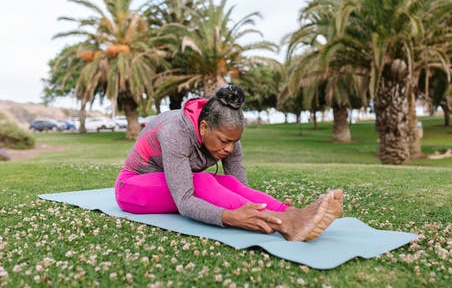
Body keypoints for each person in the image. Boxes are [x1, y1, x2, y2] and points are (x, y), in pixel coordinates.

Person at [115, 85, 343, 241]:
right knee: (203, 181)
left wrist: (269, 205)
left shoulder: (226, 132)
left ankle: (291, 214)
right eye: (225, 142)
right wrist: (231, 217)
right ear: (204, 128)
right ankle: (285, 224)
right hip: (132, 189)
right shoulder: (175, 132)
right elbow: (184, 200)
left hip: (167, 184)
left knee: (224, 181)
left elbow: (237, 186)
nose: (230, 148)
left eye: (235, 142)